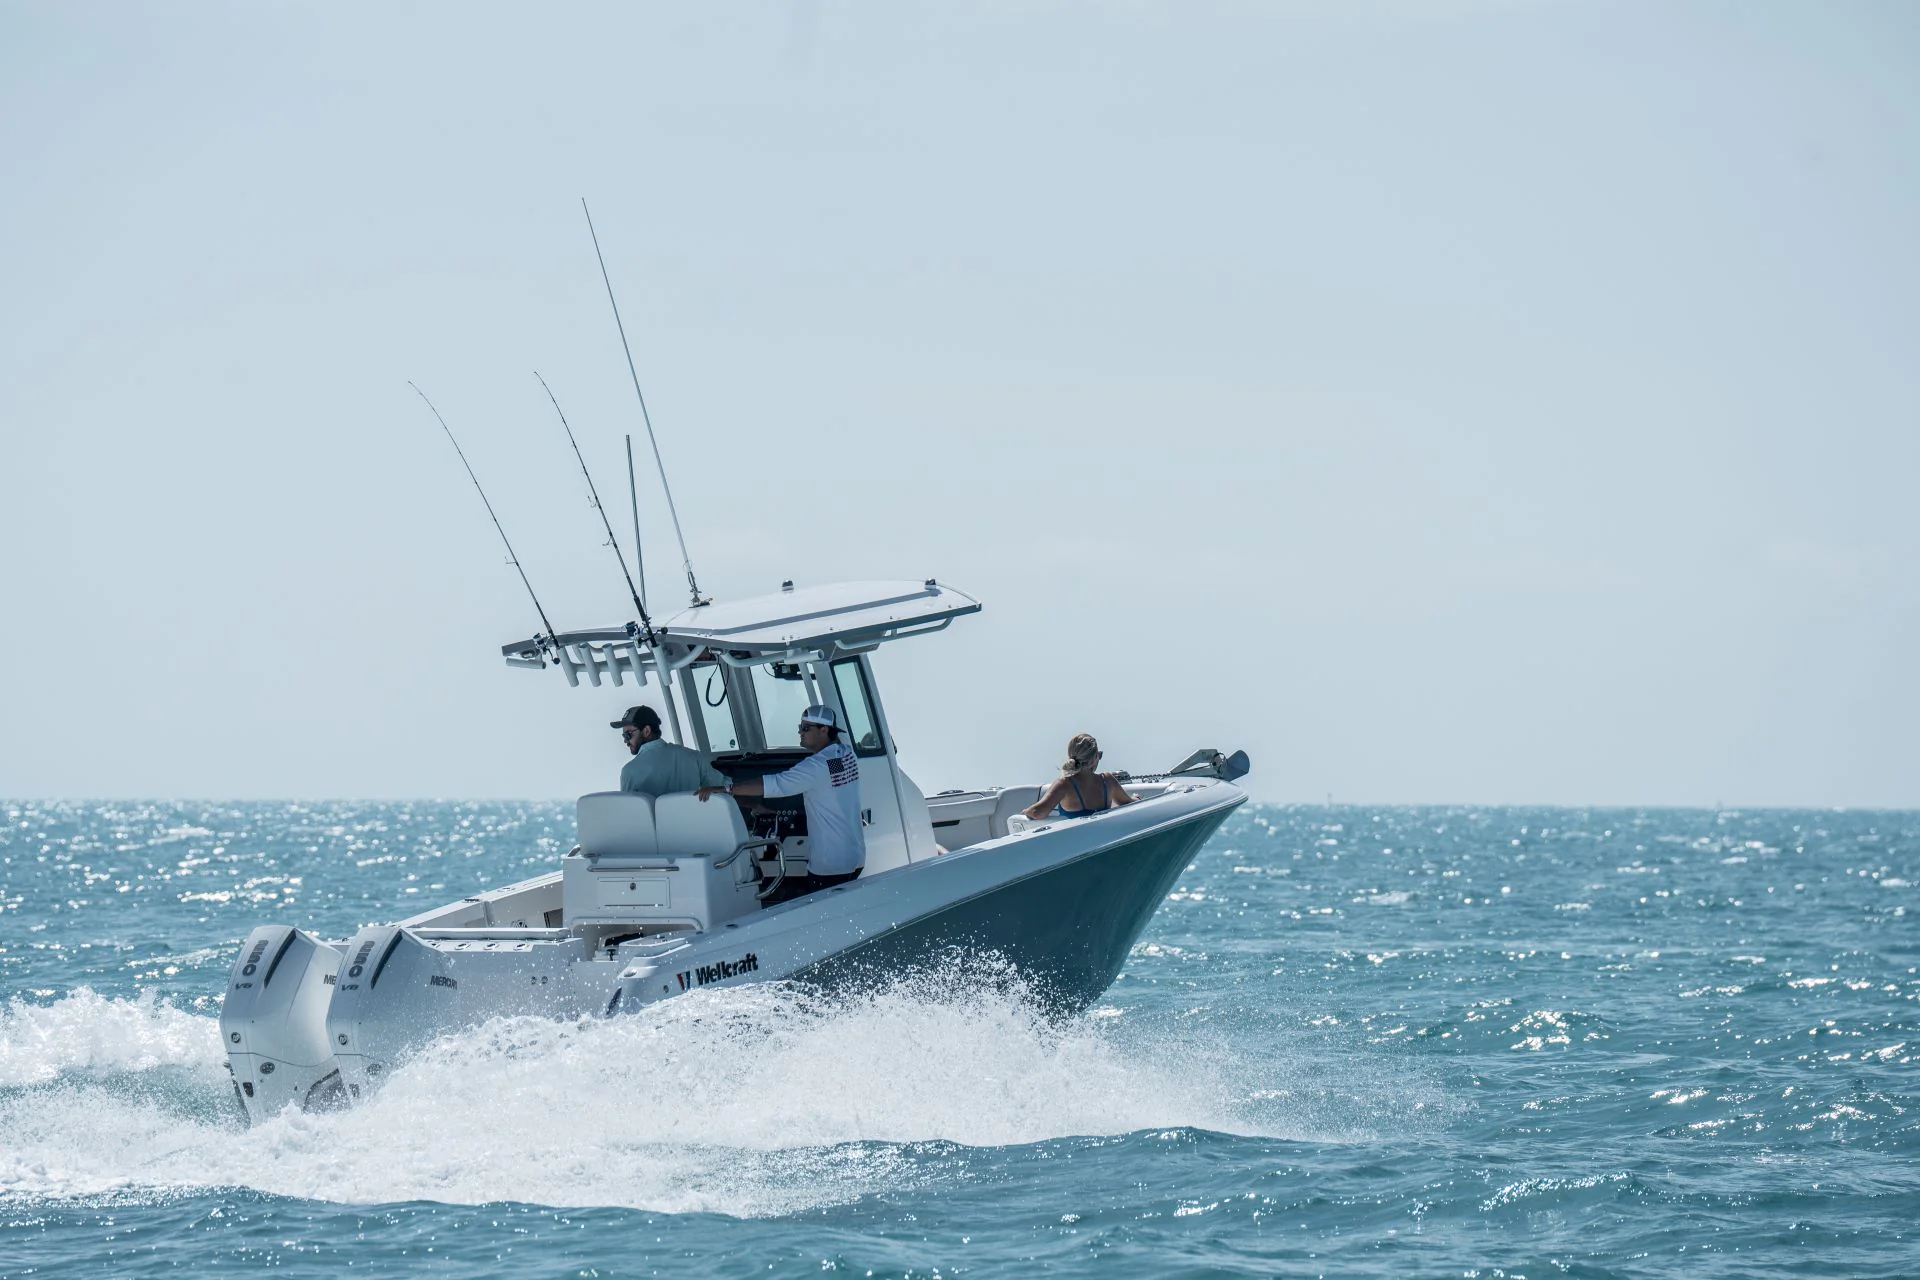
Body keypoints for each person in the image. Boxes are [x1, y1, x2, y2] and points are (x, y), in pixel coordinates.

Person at [697, 704, 863, 902]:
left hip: (829, 866)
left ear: (824, 730)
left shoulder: (816, 767)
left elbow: (774, 784)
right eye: (800, 727)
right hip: (854, 857)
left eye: (806, 728)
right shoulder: (845, 754)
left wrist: (726, 789)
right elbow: (828, 772)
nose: (800, 732)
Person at [611, 705, 727, 797]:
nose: (625, 741)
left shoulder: (629, 772)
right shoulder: (694, 757)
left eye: (628, 735)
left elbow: (630, 813)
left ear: (646, 731)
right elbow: (725, 788)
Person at [1024, 733, 1135, 820]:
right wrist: (1136, 797)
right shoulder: (1107, 780)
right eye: (1099, 755)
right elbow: (1128, 803)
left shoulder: (1064, 785)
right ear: (1093, 760)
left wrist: (1025, 812)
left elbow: (1037, 813)